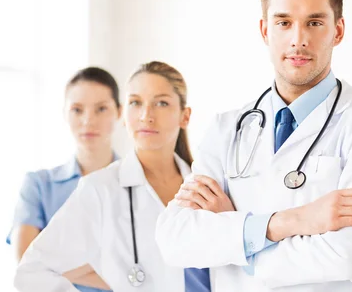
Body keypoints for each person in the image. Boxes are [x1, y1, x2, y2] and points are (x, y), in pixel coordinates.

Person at [156, 0, 352, 292]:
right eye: (284, 22)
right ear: (265, 30)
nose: (298, 39)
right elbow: (176, 240)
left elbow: (349, 257)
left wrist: (239, 244)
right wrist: (293, 221)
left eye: (314, 22)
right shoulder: (226, 129)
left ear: (338, 31)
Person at [14, 61, 211, 292]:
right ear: (124, 114)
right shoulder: (99, 189)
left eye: (161, 103)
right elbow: (32, 271)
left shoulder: (207, 184)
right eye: (135, 103)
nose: (146, 115)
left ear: (185, 116)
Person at [8, 66, 121, 291]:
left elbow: (154, 272)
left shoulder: (140, 184)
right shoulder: (38, 186)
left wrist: (57, 267)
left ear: (119, 112)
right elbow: (27, 265)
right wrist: (119, 276)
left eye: (101, 109)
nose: (88, 120)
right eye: (77, 109)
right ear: (64, 113)